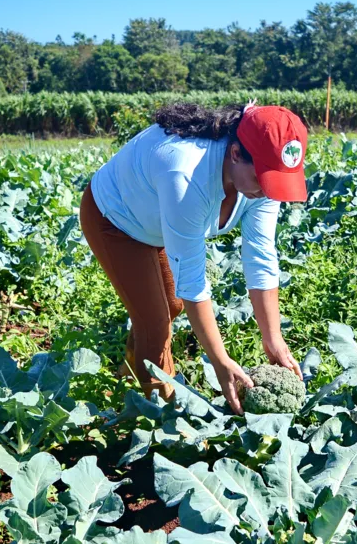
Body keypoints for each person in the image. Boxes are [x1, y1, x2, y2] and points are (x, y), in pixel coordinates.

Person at [79, 101, 308, 414]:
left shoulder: (262, 183)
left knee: (171, 306)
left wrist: (274, 339)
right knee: (156, 325)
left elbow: (261, 256)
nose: (269, 192)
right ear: (236, 153)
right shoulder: (187, 174)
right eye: (263, 180)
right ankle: (156, 416)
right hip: (116, 218)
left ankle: (129, 373)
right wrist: (220, 361)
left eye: (276, 182)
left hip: (160, 219)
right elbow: (192, 280)